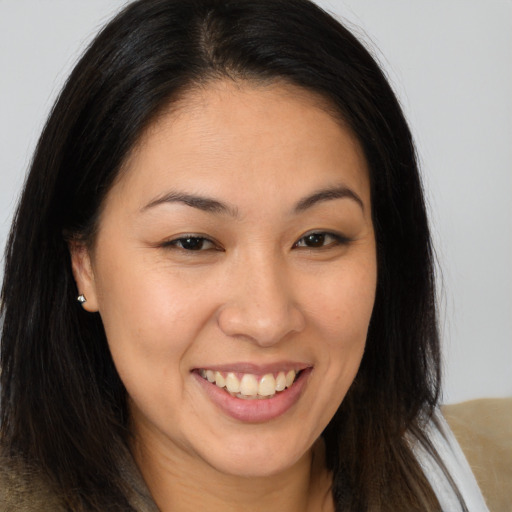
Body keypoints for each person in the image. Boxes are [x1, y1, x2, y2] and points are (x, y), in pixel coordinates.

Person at [0, 0, 489, 510]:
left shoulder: (492, 475)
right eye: (192, 243)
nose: (266, 320)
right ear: (85, 263)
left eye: (317, 238)